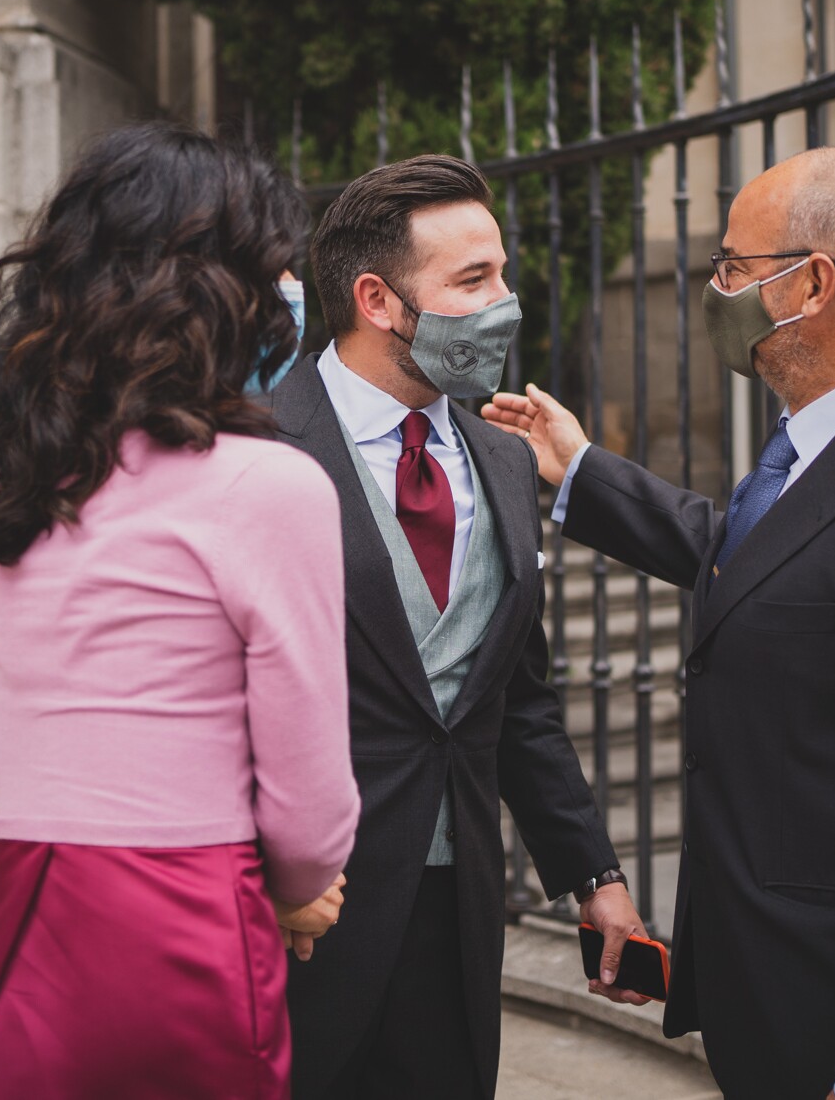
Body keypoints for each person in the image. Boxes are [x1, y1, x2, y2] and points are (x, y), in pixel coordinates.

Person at [483, 145, 835, 1100]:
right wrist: (582, 469)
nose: (715, 289)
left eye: (733, 269)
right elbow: (759, 558)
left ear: (813, 285)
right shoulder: (825, 432)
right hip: (770, 1001)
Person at [0, 123, 360, 1099]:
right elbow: (309, 815)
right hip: (185, 923)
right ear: (225, 294)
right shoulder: (271, 488)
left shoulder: (13, 499)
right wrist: (298, 895)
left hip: (23, 920)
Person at [268, 154, 648, 1100]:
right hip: (305, 914)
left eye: (503, 273)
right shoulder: (257, 449)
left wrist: (592, 873)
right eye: (473, 281)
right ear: (378, 299)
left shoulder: (506, 461)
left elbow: (520, 697)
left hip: (464, 906)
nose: (506, 303)